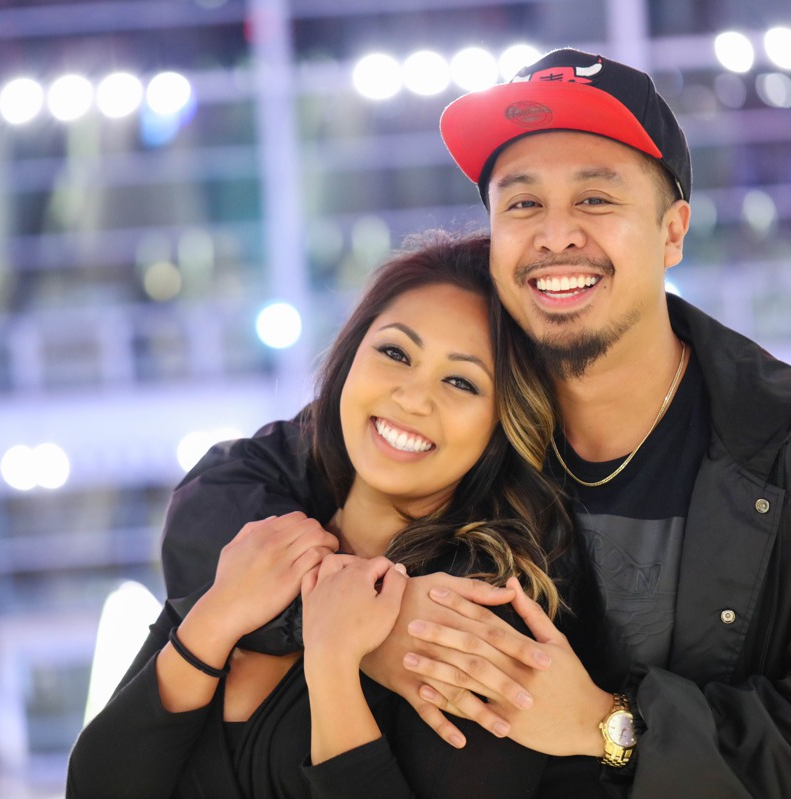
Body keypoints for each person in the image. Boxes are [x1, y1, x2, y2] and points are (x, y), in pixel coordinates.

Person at [157, 48, 791, 798]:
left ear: (673, 231)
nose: (556, 234)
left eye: (595, 198)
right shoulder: (457, 399)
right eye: (523, 202)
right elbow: (221, 499)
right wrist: (369, 629)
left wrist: (613, 726)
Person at [66, 232, 603, 798]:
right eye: (395, 353)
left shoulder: (472, 622)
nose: (413, 398)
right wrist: (217, 616)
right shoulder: (258, 550)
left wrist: (334, 667)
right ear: (350, 358)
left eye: (460, 381)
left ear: (502, 425)